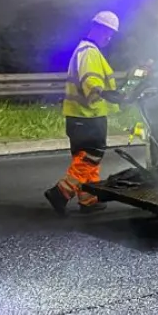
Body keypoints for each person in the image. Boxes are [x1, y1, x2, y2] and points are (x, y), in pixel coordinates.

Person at [44, 11, 124, 216]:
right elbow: (90, 79)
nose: (109, 37)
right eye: (107, 32)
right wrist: (104, 93)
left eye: (111, 34)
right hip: (88, 116)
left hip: (80, 116)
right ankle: (60, 192)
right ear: (97, 28)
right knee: (91, 157)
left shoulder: (86, 50)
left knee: (86, 160)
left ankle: (89, 199)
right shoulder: (89, 52)